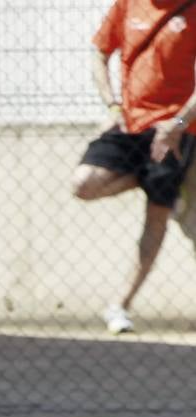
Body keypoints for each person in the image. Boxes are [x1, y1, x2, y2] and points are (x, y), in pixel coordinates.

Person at [71, 0, 196, 334]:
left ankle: (120, 306)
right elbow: (99, 52)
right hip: (128, 125)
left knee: (156, 216)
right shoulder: (127, 5)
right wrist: (112, 105)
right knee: (83, 184)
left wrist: (179, 122)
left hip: (174, 131)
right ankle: (155, 182)